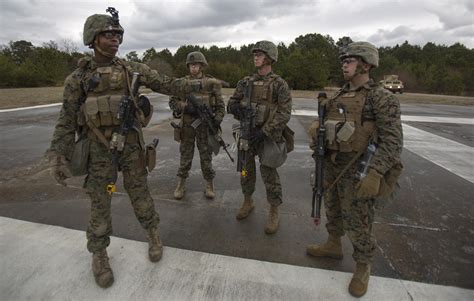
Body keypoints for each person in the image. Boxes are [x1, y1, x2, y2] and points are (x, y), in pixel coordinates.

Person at [47, 8, 189, 288]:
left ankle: (153, 234)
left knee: (140, 193)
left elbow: (167, 84)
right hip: (99, 152)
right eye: (108, 35)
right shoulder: (78, 79)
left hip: (131, 147)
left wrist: (198, 85)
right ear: (93, 39)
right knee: (100, 203)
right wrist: (57, 155)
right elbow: (66, 119)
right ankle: (99, 254)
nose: (115, 40)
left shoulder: (131, 70)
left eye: (117, 35)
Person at [306, 41, 403, 297]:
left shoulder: (381, 98)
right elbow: (323, 123)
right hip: (332, 164)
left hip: (359, 168)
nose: (344, 65)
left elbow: (393, 142)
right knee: (333, 209)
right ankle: (333, 243)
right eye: (343, 61)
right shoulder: (338, 96)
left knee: (359, 221)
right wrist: (316, 130)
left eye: (349, 60)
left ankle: (363, 265)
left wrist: (376, 173)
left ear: (366, 64)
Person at [227, 40, 292, 235]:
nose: (255, 57)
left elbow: (284, 113)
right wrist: (235, 107)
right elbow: (231, 102)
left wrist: (264, 132)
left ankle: (273, 210)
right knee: (246, 170)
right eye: (254, 54)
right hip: (248, 133)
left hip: (268, 136)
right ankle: (248, 201)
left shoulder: (279, 84)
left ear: (270, 58)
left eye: (260, 54)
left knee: (269, 173)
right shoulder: (245, 82)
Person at [169, 51, 225, 200]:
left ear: (201, 66)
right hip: (187, 125)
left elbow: (220, 105)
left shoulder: (211, 83)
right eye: (191, 65)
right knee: (185, 155)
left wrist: (217, 120)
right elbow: (173, 102)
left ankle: (209, 184)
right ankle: (181, 184)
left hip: (205, 126)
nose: (193, 67)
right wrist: (185, 107)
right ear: (188, 66)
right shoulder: (182, 83)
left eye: (196, 65)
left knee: (206, 156)